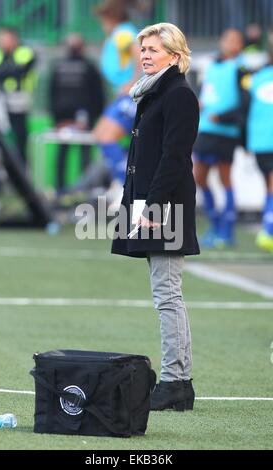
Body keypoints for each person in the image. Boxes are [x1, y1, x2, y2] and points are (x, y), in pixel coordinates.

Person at [112, 23, 200, 411]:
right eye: (142, 49)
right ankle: (176, 379)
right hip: (151, 202)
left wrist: (152, 206)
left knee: (168, 294)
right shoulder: (152, 93)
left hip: (163, 205)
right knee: (164, 293)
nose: (144, 55)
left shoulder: (178, 94)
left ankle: (176, 382)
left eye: (153, 49)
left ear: (175, 56)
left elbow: (174, 157)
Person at [193, 29, 244, 247]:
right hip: (205, 130)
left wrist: (222, 116)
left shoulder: (241, 70)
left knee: (225, 178)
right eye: (226, 39)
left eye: (234, 40)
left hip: (225, 132)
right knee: (199, 177)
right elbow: (206, 92)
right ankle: (215, 224)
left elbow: (244, 104)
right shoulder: (211, 65)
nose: (229, 43)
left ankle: (227, 231)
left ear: (239, 45)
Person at [93, 0, 142, 210]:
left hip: (131, 95)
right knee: (102, 134)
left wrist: (132, 83)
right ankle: (121, 179)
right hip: (124, 94)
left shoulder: (124, 33)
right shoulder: (118, 34)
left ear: (111, 17)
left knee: (105, 135)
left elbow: (140, 56)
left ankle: (126, 183)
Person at [49, 33, 105, 191]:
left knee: (65, 153)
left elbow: (51, 94)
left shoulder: (58, 66)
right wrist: (95, 115)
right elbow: (98, 94)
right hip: (82, 118)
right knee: (83, 154)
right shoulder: (89, 66)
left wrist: (56, 118)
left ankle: (61, 189)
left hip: (64, 118)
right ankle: (82, 190)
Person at [0, 26, 37, 165]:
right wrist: (10, 70)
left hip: (19, 102)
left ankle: (21, 173)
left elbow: (19, 72)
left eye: (5, 38)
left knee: (20, 139)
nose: (1, 42)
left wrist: (6, 71)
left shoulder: (26, 52)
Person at [246, 30, 273, 253]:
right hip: (264, 140)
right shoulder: (259, 76)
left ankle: (268, 227)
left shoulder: (259, 76)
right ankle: (268, 230)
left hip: (260, 140)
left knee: (270, 185)